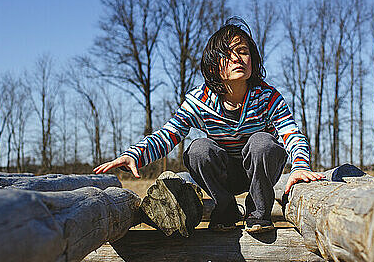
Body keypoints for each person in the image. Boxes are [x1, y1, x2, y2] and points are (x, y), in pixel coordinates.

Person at [94, 17, 323, 234]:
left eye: (243, 52)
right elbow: (169, 134)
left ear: (252, 60)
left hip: (259, 171)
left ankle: (258, 213)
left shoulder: (267, 97)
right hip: (223, 175)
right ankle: (225, 211)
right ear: (213, 67)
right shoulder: (199, 101)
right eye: (228, 54)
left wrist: (300, 166)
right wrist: (135, 155)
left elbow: (291, 133)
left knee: (262, 142)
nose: (237, 58)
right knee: (198, 148)